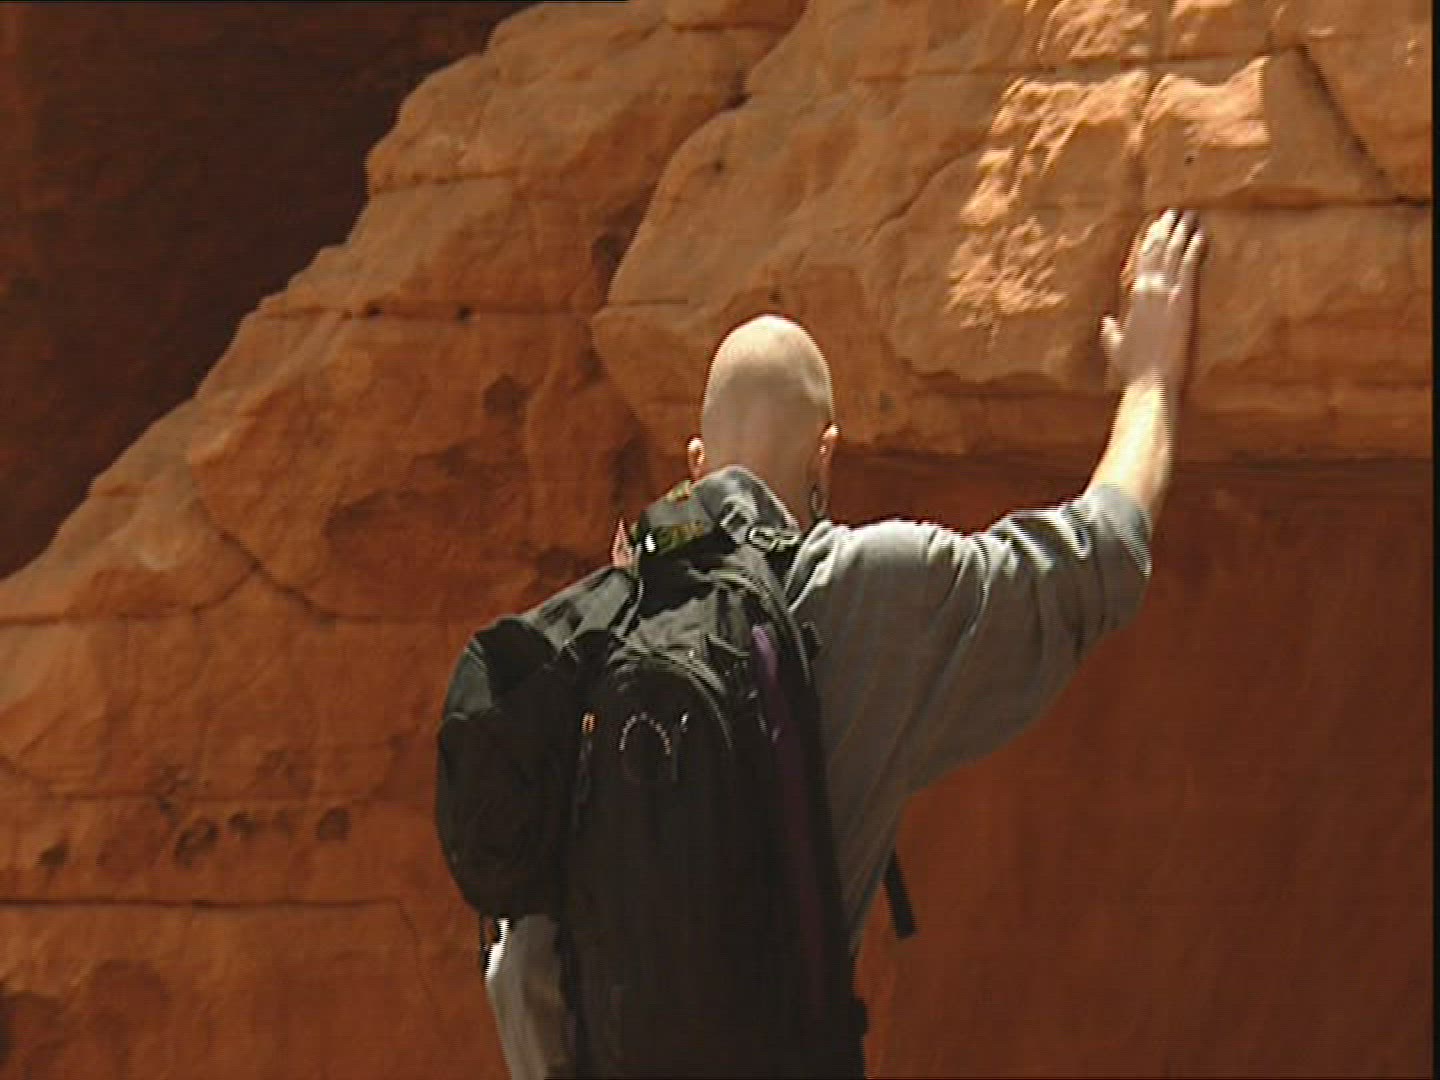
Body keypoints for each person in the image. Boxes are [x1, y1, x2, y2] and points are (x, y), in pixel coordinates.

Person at [483, 208, 1207, 1079]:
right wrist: (1152, 381)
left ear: (697, 461)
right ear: (826, 457)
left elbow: (519, 961)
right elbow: (1097, 554)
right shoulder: (881, 590)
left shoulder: (608, 612)